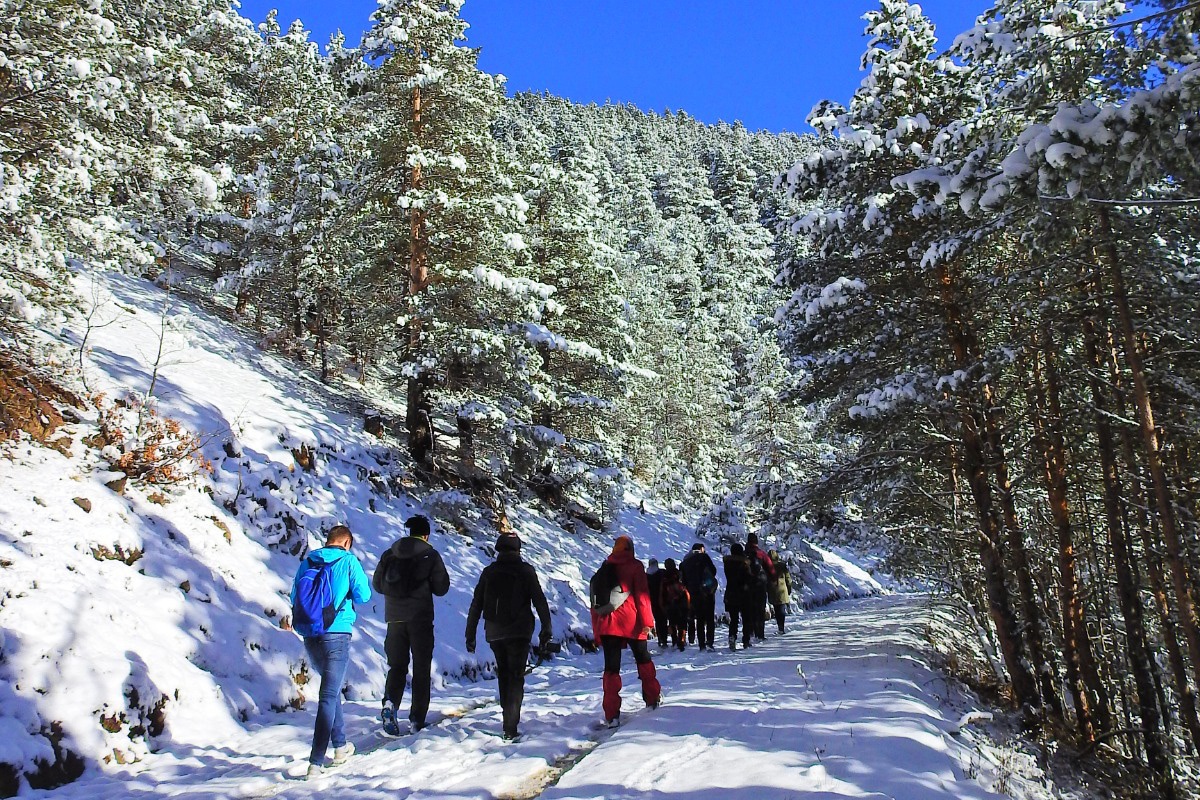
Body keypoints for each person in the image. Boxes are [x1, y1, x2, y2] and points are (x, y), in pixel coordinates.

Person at [288, 525, 371, 780]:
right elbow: (364, 595)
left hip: (310, 632)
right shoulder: (348, 561)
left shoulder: (309, 561)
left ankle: (341, 746)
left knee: (330, 691)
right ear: (346, 543)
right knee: (327, 695)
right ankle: (315, 761)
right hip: (337, 632)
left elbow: (294, 596)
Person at [464, 533, 553, 742]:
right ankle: (510, 725)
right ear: (518, 549)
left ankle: (508, 717)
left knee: (504, 674)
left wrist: (470, 634)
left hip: (494, 633)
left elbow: (476, 604)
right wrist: (546, 630)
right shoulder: (525, 571)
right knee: (515, 676)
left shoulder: (489, 573)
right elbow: (539, 601)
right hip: (519, 631)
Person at [373, 514, 450, 735]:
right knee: (421, 669)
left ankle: (390, 703)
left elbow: (378, 585)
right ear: (426, 535)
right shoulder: (430, 555)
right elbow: (442, 588)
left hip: (394, 619)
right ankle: (417, 719)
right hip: (420, 619)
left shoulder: (389, 554)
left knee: (396, 667)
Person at [591, 535, 661, 726]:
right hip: (632, 623)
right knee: (643, 660)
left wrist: (597, 631)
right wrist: (648, 622)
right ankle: (652, 698)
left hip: (607, 624)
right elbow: (642, 597)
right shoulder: (635, 566)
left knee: (611, 669)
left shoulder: (605, 567)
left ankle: (611, 714)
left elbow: (595, 603)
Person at [680, 542, 718, 651]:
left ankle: (702, 644)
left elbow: (683, 580)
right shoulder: (704, 557)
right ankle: (710, 642)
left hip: (695, 593)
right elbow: (713, 571)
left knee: (700, 619)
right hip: (708, 591)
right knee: (710, 618)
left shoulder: (685, 562)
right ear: (701, 549)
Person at [744, 532, 776, 642]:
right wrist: (772, 580)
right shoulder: (761, 554)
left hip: (747, 585)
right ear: (756, 542)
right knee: (760, 608)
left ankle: (750, 631)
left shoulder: (745, 554)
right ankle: (760, 633)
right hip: (760, 585)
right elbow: (771, 569)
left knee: (749, 608)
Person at [723, 542, 752, 651]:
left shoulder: (727, 563)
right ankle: (746, 640)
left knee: (734, 619)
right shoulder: (745, 563)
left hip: (730, 593)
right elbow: (748, 578)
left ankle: (732, 637)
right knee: (746, 619)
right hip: (744, 594)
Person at [658, 558, 691, 651]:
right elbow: (685, 589)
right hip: (682, 602)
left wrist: (663, 604)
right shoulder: (679, 574)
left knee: (672, 622)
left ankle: (674, 640)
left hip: (669, 603)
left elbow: (662, 592)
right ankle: (682, 640)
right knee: (682, 623)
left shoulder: (664, 578)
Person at [767, 549, 792, 634]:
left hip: (772, 590)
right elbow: (788, 579)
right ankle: (781, 627)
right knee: (781, 609)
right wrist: (789, 589)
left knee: (776, 609)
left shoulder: (767, 567)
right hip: (782, 590)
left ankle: (779, 626)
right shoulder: (782, 565)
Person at [645, 558, 668, 648]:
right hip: (663, 599)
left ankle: (660, 640)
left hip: (652, 601)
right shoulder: (662, 573)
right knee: (663, 620)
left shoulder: (646, 576)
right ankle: (664, 639)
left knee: (658, 620)